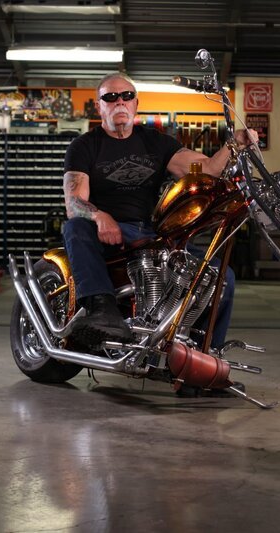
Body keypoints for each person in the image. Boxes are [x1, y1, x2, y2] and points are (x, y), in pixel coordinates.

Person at [61, 71, 257, 354]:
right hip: (105, 229)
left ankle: (205, 357)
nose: (120, 102)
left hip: (152, 231)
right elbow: (74, 202)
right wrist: (99, 216)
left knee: (221, 276)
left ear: (136, 104)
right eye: (111, 97)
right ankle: (100, 309)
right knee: (75, 227)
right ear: (99, 106)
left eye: (127, 96)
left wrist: (234, 143)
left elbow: (207, 169)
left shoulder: (156, 142)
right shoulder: (84, 146)